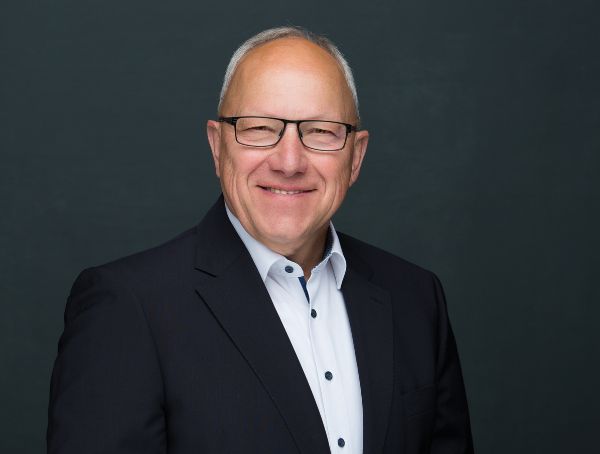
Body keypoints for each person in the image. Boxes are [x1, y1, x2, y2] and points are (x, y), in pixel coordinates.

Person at [47, 26, 473, 454]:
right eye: (259, 128)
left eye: (321, 131)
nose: (289, 162)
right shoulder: (128, 308)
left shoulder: (416, 299)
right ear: (218, 146)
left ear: (356, 156)